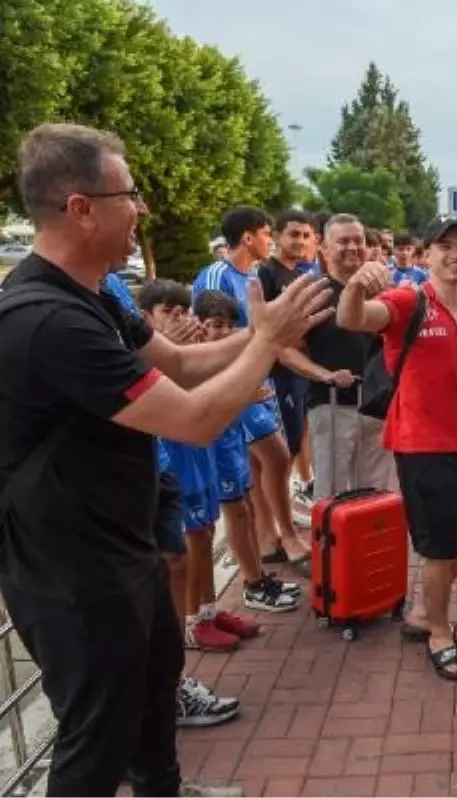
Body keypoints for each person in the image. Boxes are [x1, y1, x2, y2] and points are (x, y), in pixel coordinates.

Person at [0, 122, 330, 798]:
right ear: (81, 208)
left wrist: (263, 335)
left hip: (123, 543)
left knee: (154, 696)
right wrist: (266, 344)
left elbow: (179, 362)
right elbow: (195, 418)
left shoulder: (95, 294)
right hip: (72, 568)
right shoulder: (48, 320)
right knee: (98, 734)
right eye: (129, 195)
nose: (141, 209)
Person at [337, 217, 457, 681]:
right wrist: (356, 286)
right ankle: (438, 632)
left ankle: (424, 609)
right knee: (438, 547)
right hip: (419, 443)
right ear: (426, 254)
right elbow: (352, 318)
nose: (455, 254)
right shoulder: (409, 301)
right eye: (444, 246)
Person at [142, 282, 267, 653]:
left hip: (203, 452)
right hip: (176, 457)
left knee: (207, 532)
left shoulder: (192, 352)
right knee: (190, 542)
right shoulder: (146, 360)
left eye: (183, 312)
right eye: (168, 312)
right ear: (147, 318)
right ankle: (192, 622)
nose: (178, 320)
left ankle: (207, 611)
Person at [194, 207, 312, 576]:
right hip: (235, 386)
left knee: (264, 461)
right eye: (265, 234)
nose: (269, 241)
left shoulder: (251, 276)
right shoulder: (217, 275)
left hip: (258, 381)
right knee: (274, 457)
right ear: (247, 237)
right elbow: (212, 335)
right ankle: (284, 538)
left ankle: (269, 538)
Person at [280, 214, 395, 497]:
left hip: (378, 408)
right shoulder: (312, 293)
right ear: (324, 248)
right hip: (332, 406)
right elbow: (284, 349)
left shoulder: (383, 292)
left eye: (358, 241)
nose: (353, 247)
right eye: (343, 241)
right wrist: (325, 375)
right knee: (332, 495)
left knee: (376, 495)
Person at [256, 210, 319, 508]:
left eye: (306, 235)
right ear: (278, 236)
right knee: (285, 446)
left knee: (302, 431)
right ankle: (280, 507)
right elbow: (264, 327)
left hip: (300, 368)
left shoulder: (299, 274)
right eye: (294, 234)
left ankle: (302, 487)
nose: (300, 241)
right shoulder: (266, 273)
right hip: (279, 371)